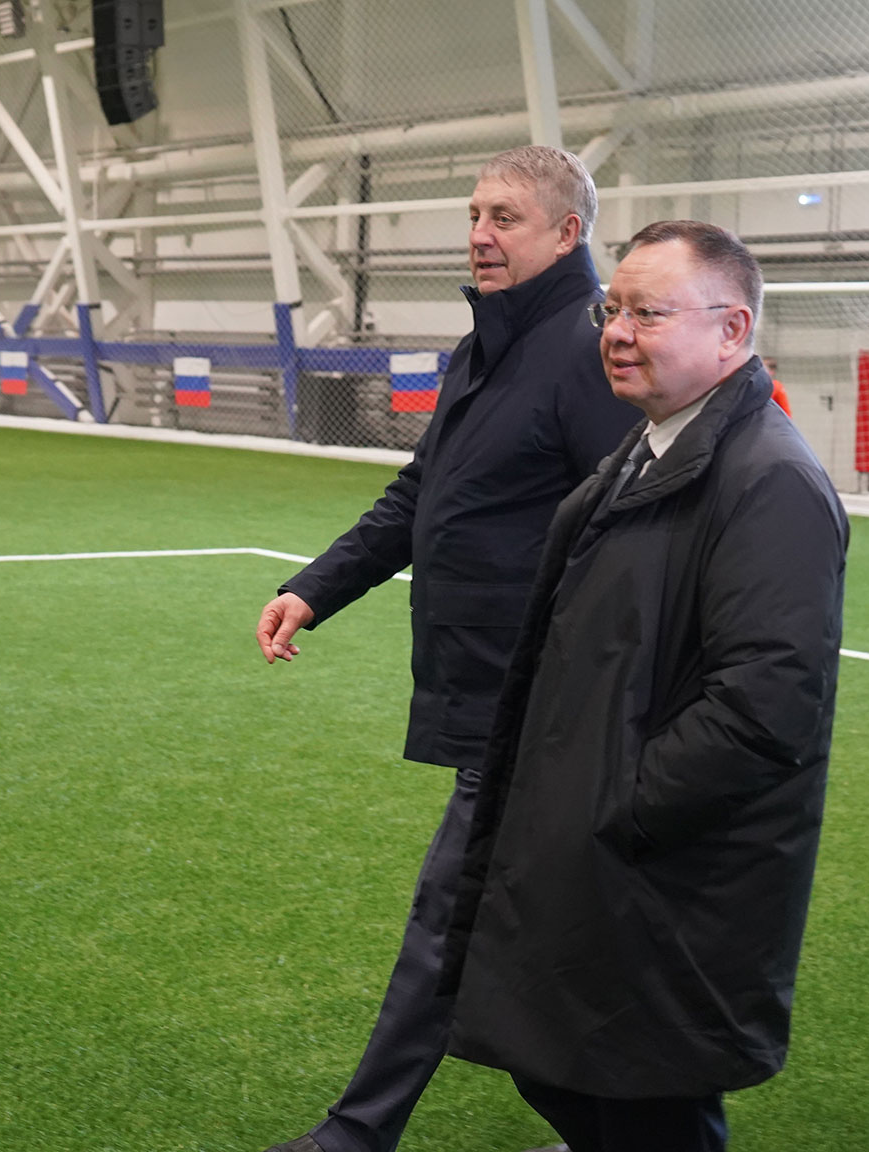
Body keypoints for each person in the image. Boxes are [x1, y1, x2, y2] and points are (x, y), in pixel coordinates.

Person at [438, 220, 848, 1152]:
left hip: (660, 868)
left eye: (648, 314)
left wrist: (619, 806)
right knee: (563, 1067)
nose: (618, 333)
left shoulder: (770, 480)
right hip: (593, 843)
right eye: (611, 311)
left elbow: (766, 706)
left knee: (645, 1100)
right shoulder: (646, 450)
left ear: (732, 330)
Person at [253, 145, 632, 1152]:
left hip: (542, 706)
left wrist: (584, 686)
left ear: (567, 233)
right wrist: (314, 587)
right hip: (488, 690)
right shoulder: (487, 345)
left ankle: (356, 1133)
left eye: (505, 217)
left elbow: (625, 539)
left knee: (451, 920)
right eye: (474, 214)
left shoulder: (590, 352)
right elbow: (423, 493)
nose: (479, 234)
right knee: (529, 939)